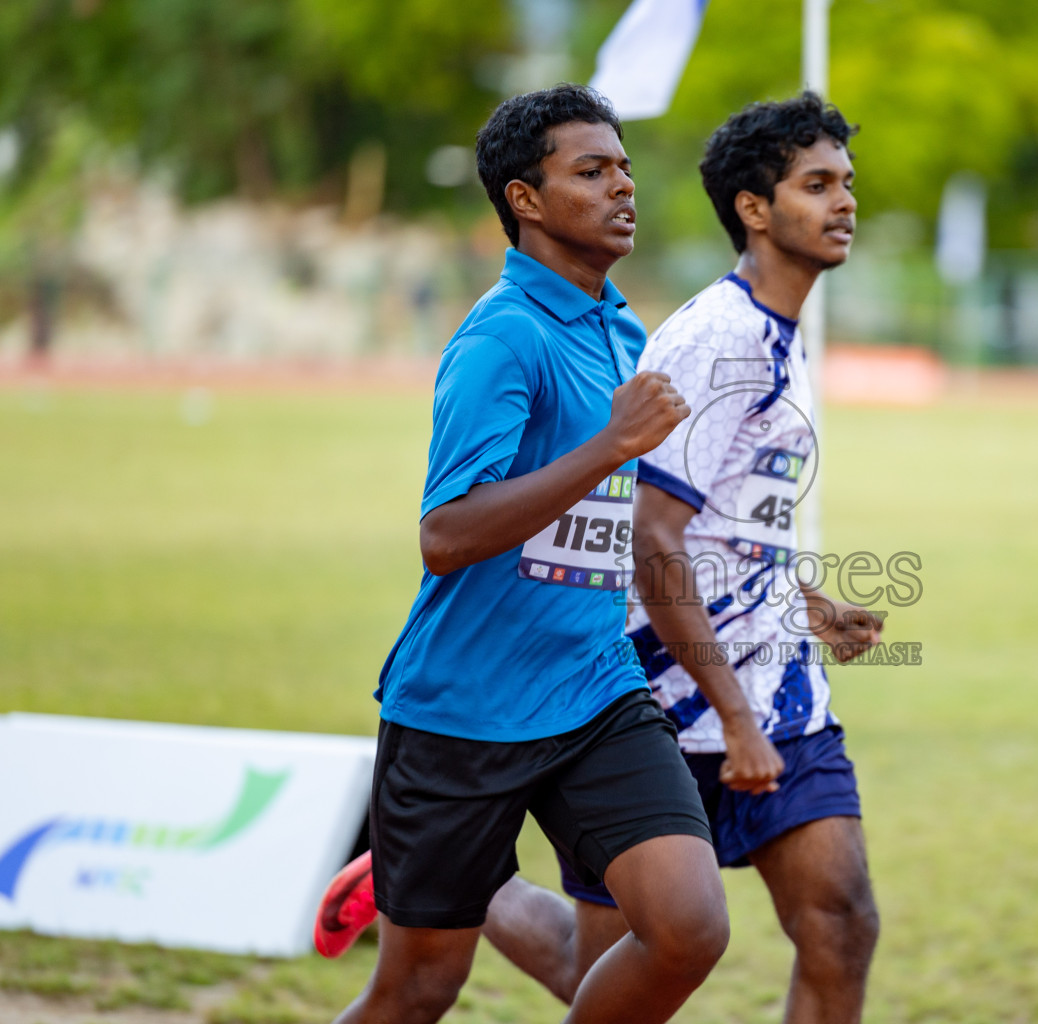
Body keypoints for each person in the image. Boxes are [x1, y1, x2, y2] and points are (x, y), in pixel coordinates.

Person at [318, 91, 883, 1024]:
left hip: (599, 691)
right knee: (416, 989)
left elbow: (654, 524)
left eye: (622, 166)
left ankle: (459, 877)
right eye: (592, 170)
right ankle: (441, 874)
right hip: (468, 705)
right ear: (525, 199)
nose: (624, 184)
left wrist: (800, 601)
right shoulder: (502, 336)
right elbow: (446, 535)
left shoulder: (623, 332)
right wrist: (607, 447)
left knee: (690, 928)